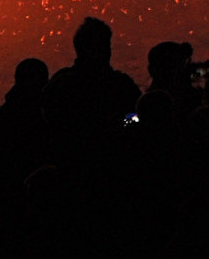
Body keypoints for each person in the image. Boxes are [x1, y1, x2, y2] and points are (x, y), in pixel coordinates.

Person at [41, 17, 141, 160]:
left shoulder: (60, 85)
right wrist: (120, 126)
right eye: (106, 46)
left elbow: (52, 126)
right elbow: (135, 117)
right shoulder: (120, 85)